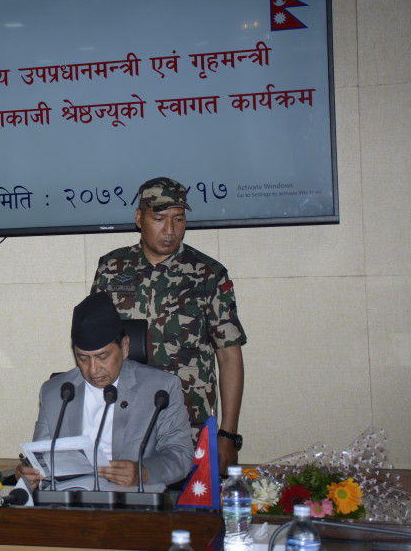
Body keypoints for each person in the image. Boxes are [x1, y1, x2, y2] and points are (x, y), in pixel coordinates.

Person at [91, 176, 246, 474]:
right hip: (123, 422)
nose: (170, 230)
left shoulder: (208, 274)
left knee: (192, 502)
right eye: (159, 219)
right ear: (140, 218)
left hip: (190, 425)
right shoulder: (111, 269)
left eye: (178, 219)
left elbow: (229, 355)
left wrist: (228, 435)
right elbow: (94, 346)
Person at [15, 292, 193, 489]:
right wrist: (29, 475)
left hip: (132, 498)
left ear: (125, 347)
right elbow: (41, 461)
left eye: (103, 357)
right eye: (83, 358)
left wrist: (143, 472)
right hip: (71, 499)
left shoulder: (160, 389)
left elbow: (180, 455)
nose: (93, 370)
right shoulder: (55, 393)